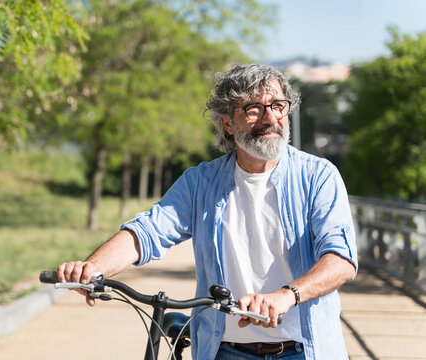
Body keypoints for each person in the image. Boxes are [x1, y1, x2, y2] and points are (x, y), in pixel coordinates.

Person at [57, 63, 358, 360]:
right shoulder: (200, 182)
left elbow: (341, 259)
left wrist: (285, 296)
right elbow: (148, 231)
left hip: (304, 351)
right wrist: (92, 267)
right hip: (224, 351)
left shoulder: (318, 177)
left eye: (277, 105)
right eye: (253, 109)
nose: (270, 119)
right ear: (228, 123)